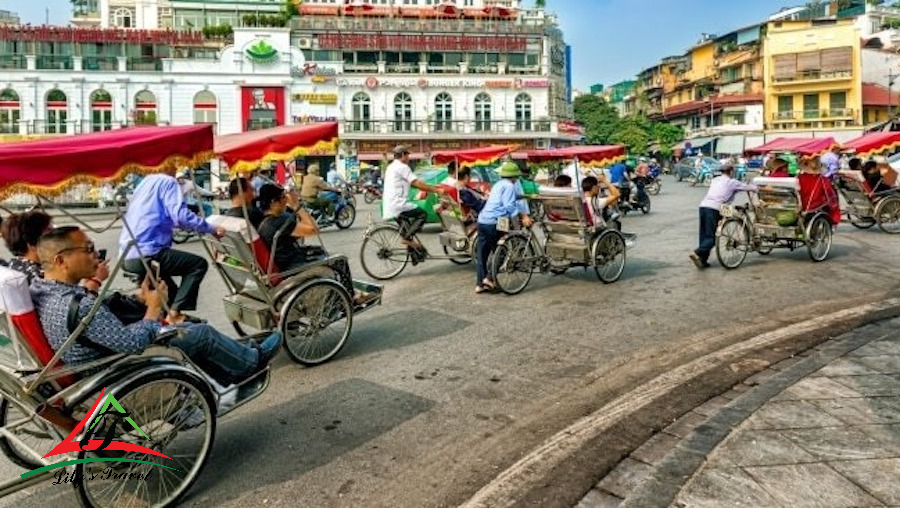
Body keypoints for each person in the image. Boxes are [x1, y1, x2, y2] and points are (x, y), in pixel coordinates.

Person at [32, 226, 282, 385]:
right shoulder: (79, 305)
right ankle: (250, 362)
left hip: (92, 354)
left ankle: (229, 370)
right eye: (88, 249)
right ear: (61, 260)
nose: (96, 254)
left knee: (185, 329)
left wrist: (140, 301)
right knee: (199, 333)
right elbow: (133, 344)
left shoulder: (42, 291)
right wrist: (153, 308)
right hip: (115, 365)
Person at [119, 171, 226, 324]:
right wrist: (211, 228)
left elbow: (164, 215)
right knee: (198, 265)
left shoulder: (145, 182)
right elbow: (180, 216)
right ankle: (173, 315)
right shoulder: (169, 182)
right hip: (148, 252)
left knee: (173, 294)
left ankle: (171, 318)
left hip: (127, 255)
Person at [475, 162, 532, 294]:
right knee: (502, 251)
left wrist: (522, 196)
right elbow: (509, 206)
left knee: (482, 254)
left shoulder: (498, 184)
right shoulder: (510, 186)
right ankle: (489, 278)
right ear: (514, 177)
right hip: (496, 221)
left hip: (483, 220)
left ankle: (480, 284)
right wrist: (524, 216)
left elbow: (503, 198)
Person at [382, 145, 446, 264]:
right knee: (422, 214)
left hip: (390, 204)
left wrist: (429, 188)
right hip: (398, 204)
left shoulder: (391, 167)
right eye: (407, 155)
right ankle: (406, 239)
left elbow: (410, 183)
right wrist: (435, 190)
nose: (409, 157)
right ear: (402, 155)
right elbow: (416, 183)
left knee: (408, 229)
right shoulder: (403, 167)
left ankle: (415, 256)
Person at [691, 164, 758, 269]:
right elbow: (748, 187)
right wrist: (758, 187)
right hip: (715, 208)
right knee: (712, 237)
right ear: (731, 172)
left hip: (703, 206)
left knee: (704, 234)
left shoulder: (715, 180)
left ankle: (703, 260)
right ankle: (699, 252)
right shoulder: (731, 182)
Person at [257, 184, 319, 273]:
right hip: (292, 267)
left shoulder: (264, 220)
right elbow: (314, 229)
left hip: (283, 264)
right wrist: (296, 205)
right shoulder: (280, 222)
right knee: (338, 262)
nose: (286, 200)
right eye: (283, 197)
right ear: (274, 201)